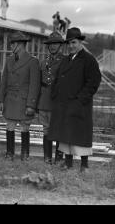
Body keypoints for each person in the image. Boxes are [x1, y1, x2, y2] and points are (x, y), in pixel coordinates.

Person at [48, 27, 102, 172]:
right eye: (69, 43)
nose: (71, 46)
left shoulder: (89, 60)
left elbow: (93, 82)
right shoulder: (66, 60)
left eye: (74, 43)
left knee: (81, 135)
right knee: (66, 135)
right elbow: (57, 79)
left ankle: (84, 165)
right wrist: (54, 94)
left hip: (79, 104)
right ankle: (68, 163)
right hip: (64, 104)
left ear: (80, 42)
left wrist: (80, 100)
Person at [0, 32, 39, 161]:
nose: (11, 46)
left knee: (24, 127)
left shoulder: (32, 61)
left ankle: (24, 154)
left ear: (21, 45)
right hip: (10, 99)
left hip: (23, 101)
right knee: (9, 126)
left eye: (13, 43)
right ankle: (10, 153)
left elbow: (34, 85)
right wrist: (0, 99)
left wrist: (31, 104)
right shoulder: (9, 60)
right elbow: (4, 80)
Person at [37, 31, 66, 164]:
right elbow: (39, 83)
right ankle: (47, 158)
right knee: (46, 130)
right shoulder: (43, 62)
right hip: (44, 101)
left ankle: (59, 160)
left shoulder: (66, 61)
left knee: (59, 130)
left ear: (60, 46)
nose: (53, 46)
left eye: (56, 44)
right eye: (51, 44)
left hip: (58, 102)